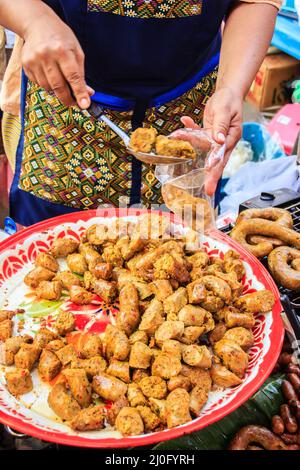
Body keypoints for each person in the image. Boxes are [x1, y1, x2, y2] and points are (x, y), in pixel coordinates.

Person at [0, 0, 281, 226]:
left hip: (186, 105)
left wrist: (231, 88)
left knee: (180, 247)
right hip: (69, 99)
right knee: (51, 250)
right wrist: (34, 19)